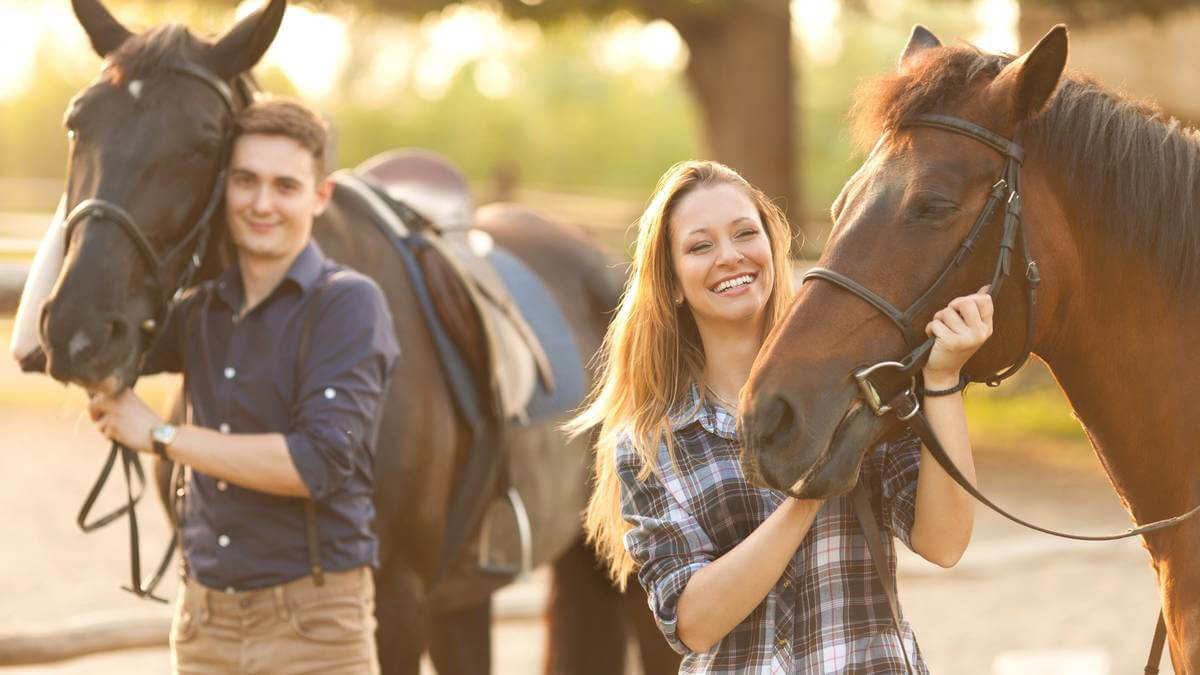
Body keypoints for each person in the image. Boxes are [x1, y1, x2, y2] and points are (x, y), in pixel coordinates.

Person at [569, 160, 990, 673]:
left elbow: (943, 543)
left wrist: (943, 381)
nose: (729, 256)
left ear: (772, 248)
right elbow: (694, 622)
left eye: (746, 233)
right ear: (674, 283)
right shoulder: (650, 445)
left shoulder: (858, 382)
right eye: (700, 246)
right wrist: (807, 492)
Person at [87, 98, 399, 674]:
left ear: (319, 197)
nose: (261, 204)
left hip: (314, 629)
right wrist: (97, 191)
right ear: (223, 187)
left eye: (285, 186)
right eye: (245, 181)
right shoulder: (199, 308)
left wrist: (158, 433)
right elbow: (72, 345)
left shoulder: (349, 304)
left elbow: (317, 464)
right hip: (203, 624)